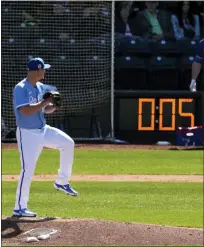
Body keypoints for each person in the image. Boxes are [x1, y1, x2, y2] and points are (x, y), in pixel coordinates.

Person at [12, 57, 78, 217]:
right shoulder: (20, 88)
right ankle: (19, 207)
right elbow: (25, 111)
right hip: (27, 134)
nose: (45, 71)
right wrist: (44, 103)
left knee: (68, 143)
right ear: (37, 70)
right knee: (27, 170)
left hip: (43, 129)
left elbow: (43, 109)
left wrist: (52, 106)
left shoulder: (40, 86)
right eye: (44, 69)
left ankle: (62, 182)